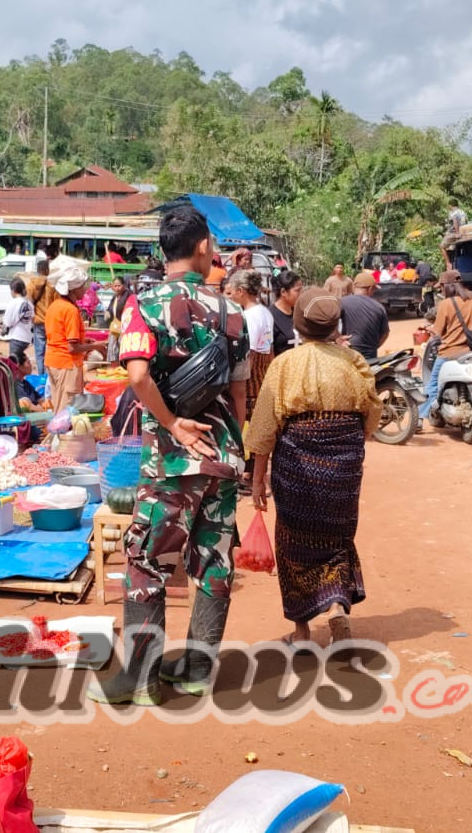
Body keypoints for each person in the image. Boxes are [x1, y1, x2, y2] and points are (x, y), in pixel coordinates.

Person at [89, 204, 249, 705]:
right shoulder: (233, 311)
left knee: (145, 560)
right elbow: (241, 392)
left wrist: (174, 423)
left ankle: (140, 680)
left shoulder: (143, 304)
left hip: (172, 460)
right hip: (223, 456)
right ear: (202, 247)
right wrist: (229, 442)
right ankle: (197, 670)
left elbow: (137, 376)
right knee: (215, 561)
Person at [247, 289, 381, 646]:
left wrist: (258, 480)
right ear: (335, 325)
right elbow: (371, 413)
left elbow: (264, 427)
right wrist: (349, 445)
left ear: (298, 324)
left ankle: (302, 632)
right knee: (337, 537)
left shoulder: (285, 364)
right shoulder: (353, 361)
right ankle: (336, 606)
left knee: (292, 542)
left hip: (296, 464)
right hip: (344, 463)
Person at [419, 271, 472, 426]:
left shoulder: (446, 304)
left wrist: (428, 329)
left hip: (449, 353)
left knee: (432, 385)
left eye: (442, 287)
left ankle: (420, 419)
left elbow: (438, 332)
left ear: (448, 286)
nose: (441, 290)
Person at [44, 266, 108, 414]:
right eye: (82, 287)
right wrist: (97, 346)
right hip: (67, 363)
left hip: (54, 361)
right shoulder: (70, 310)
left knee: (58, 405)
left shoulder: (55, 305)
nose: (85, 290)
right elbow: (72, 348)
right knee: (67, 410)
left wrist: (85, 341)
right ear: (73, 289)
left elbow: (62, 337)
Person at [227, 270, 273, 416]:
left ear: (240, 291)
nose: (230, 296)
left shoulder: (250, 317)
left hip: (251, 380)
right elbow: (267, 347)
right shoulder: (264, 312)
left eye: (232, 292)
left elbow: (250, 353)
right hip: (262, 372)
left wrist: (241, 385)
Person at [338, 272, 390, 360]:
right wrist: (373, 347)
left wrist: (337, 338)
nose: (373, 293)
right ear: (370, 289)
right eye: (373, 290)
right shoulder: (379, 307)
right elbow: (385, 333)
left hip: (346, 353)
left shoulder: (342, 302)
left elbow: (327, 321)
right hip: (369, 357)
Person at [21, 259, 54, 375]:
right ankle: (49, 375)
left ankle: (41, 375)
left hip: (38, 321)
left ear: (38, 270)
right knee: (51, 350)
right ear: (47, 270)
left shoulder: (31, 284)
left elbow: (28, 303)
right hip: (51, 322)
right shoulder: (52, 285)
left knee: (39, 351)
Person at [2, 277, 35, 366]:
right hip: (27, 338)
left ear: (13, 290)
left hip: (17, 337)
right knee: (20, 363)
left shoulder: (13, 303)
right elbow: (32, 319)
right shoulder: (29, 303)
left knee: (14, 365)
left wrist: (4, 328)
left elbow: (8, 322)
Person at [270, 270, 303, 357]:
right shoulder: (269, 317)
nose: (301, 294)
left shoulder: (300, 313)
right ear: (283, 292)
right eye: (297, 291)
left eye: (301, 290)